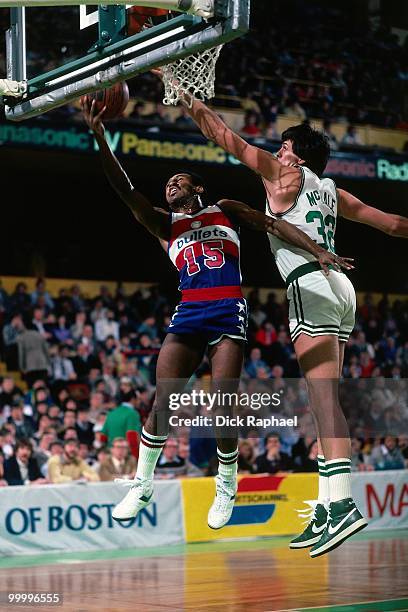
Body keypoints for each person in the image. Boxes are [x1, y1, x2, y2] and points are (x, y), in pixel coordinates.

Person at [83, 98, 352, 529]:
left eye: (179, 180)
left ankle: (227, 482)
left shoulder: (224, 208)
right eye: (168, 182)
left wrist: (317, 249)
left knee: (222, 403)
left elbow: (272, 225)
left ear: (197, 188)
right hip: (189, 311)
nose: (170, 185)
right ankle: (142, 482)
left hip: (228, 307)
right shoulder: (162, 224)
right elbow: (123, 188)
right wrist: (99, 136)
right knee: (163, 401)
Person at [174, 85, 408, 556]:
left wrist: (186, 98)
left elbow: (225, 137)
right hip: (342, 290)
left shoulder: (284, 175)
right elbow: (393, 224)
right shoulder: (333, 192)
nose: (277, 150)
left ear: (296, 159)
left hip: (311, 281)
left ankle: (342, 506)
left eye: (284, 146)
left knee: (324, 403)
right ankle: (326, 506)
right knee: (325, 402)